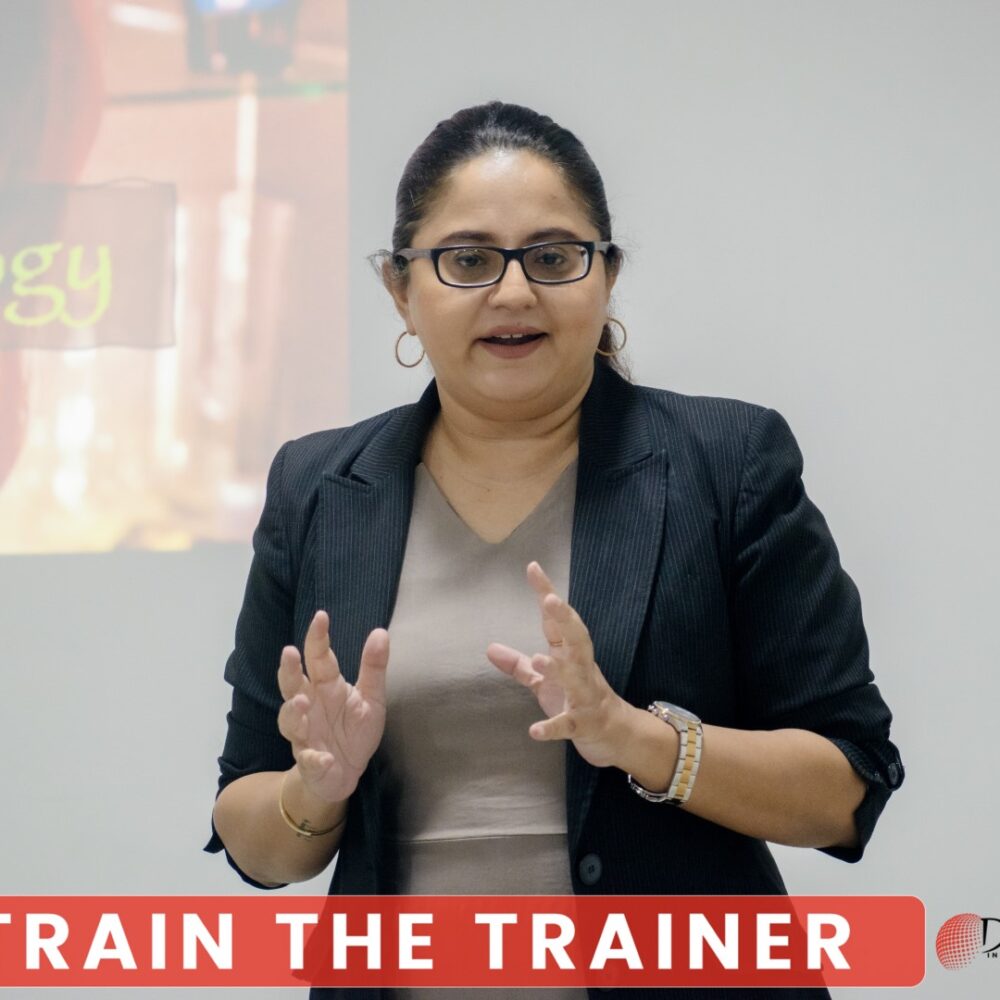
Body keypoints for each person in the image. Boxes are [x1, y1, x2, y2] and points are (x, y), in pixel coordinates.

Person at [206, 101, 904, 999]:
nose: (513, 294)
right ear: (400, 289)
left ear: (605, 275)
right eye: (467, 260)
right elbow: (254, 840)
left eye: (553, 256)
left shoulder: (727, 463)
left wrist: (637, 738)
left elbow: (848, 787)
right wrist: (317, 789)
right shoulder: (318, 488)